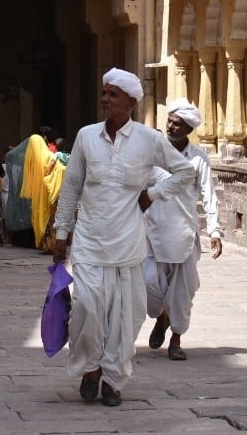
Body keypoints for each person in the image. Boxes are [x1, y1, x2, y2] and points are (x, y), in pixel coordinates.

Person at [52, 68, 195, 408]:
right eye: (104, 92)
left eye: (113, 94)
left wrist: (154, 193)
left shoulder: (149, 139)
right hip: (89, 239)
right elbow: (72, 186)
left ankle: (113, 379)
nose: (105, 99)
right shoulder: (86, 136)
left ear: (130, 101)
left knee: (125, 317)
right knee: (86, 306)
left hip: (129, 243)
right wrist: (61, 232)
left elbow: (185, 172)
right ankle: (89, 368)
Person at [144, 97, 223, 361]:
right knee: (148, 285)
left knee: (182, 293)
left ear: (189, 129)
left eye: (178, 124)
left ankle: (176, 338)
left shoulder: (198, 159)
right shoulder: (153, 153)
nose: (171, 126)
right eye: (169, 120)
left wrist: (214, 231)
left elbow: (209, 195)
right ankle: (162, 316)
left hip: (184, 234)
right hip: (152, 232)